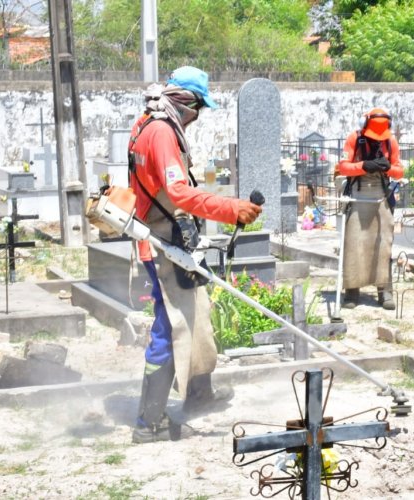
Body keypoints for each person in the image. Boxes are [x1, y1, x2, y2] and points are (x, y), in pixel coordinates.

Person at [127, 66, 262, 443]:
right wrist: (230, 208)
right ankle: (147, 422)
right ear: (186, 103)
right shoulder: (162, 132)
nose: (196, 118)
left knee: (196, 312)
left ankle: (198, 393)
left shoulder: (144, 125)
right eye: (197, 109)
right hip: (163, 241)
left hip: (165, 235)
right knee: (169, 326)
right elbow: (180, 194)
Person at [334, 107, 404, 310]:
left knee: (383, 245)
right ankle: (352, 291)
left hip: (381, 197)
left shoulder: (390, 142)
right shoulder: (354, 139)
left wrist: (386, 168)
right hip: (358, 196)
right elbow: (343, 166)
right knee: (354, 244)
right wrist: (364, 166)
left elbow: (399, 171)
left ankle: (385, 291)